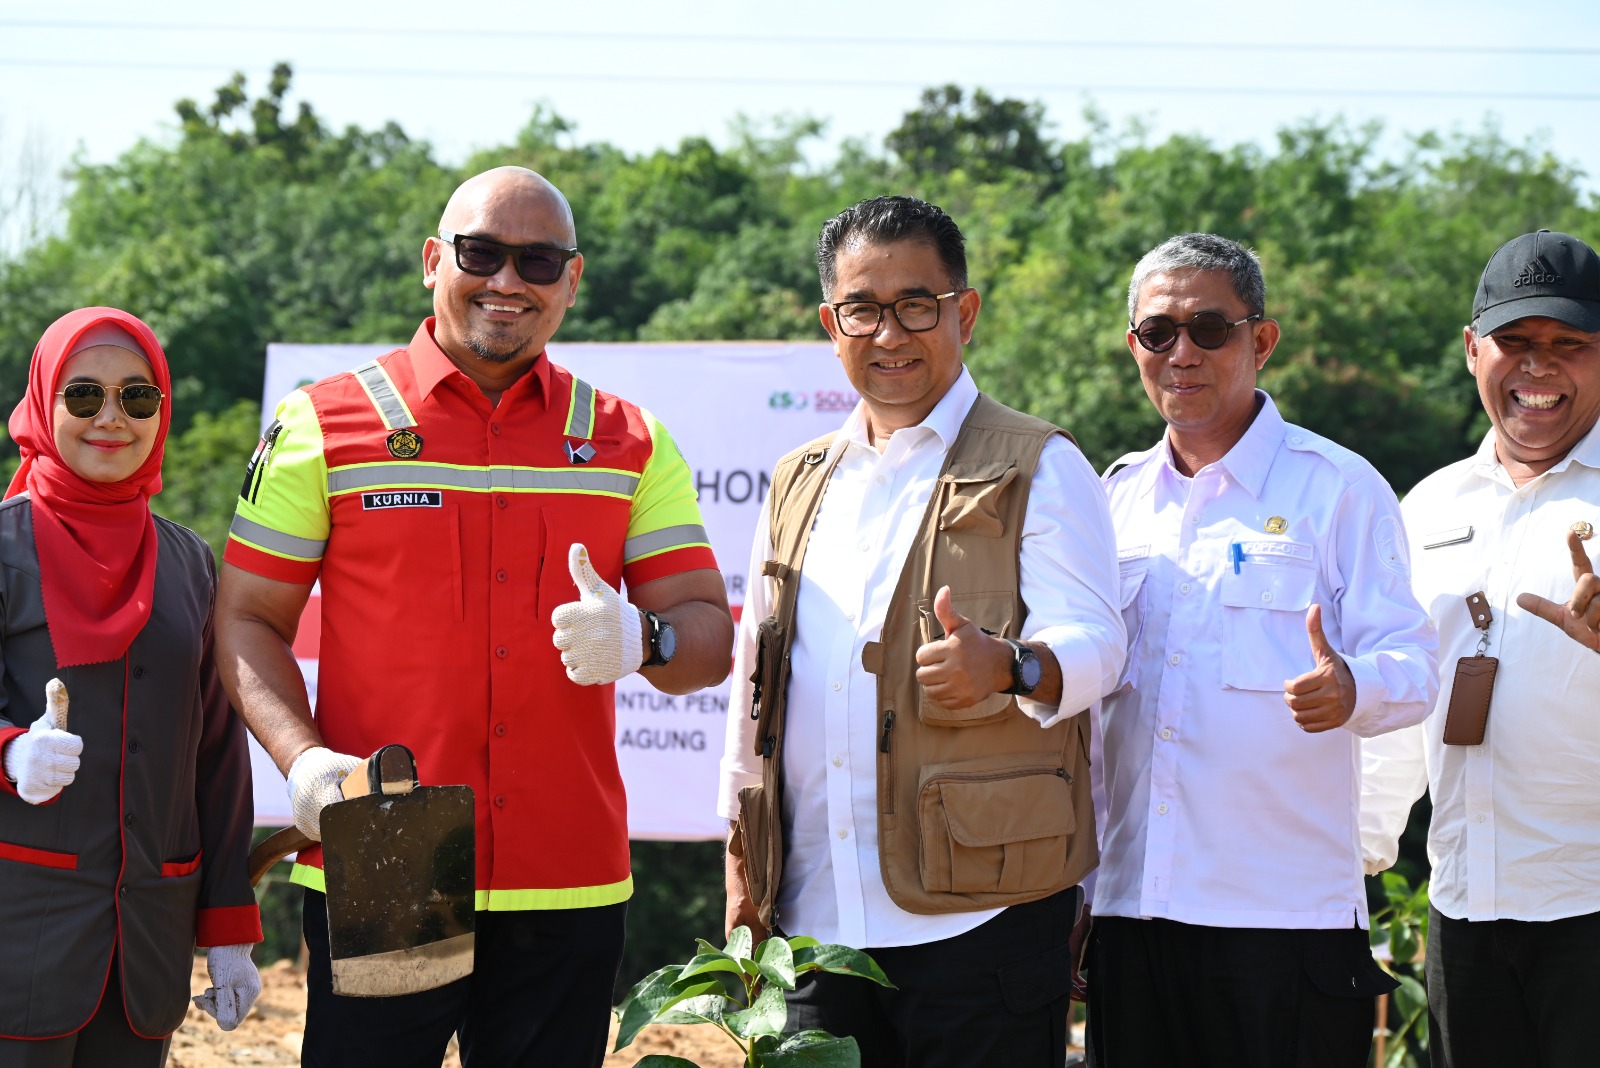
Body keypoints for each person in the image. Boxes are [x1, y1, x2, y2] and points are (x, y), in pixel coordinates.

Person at [215, 167, 733, 1068]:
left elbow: (709, 640)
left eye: (538, 261)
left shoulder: (631, 441)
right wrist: (301, 763)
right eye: (481, 253)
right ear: (431, 261)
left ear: (571, 282)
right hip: (388, 843)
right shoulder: (323, 422)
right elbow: (246, 619)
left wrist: (644, 640)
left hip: (568, 867)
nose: (507, 281)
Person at [718, 195, 1126, 1067]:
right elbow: (757, 679)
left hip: (983, 919)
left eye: (917, 306)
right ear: (832, 323)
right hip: (816, 922)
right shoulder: (798, 479)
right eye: (864, 309)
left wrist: (1010, 667)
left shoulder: (1040, 463)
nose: (890, 333)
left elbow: (1100, 644)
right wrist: (741, 857)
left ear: (964, 313)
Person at [1089, 233, 1438, 1067]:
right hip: (1133, 911)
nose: (1182, 352)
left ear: (1261, 339)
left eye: (1210, 328)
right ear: (1133, 344)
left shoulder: (1338, 488)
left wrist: (1352, 688)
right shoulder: (1114, 499)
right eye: (1157, 332)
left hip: (1284, 926)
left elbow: (1416, 666)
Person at [1361, 229, 1600, 1068]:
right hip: (1464, 911)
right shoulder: (1423, 508)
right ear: (1471, 351)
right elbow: (1397, 716)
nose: (1539, 369)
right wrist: (1352, 870)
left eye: (1569, 346)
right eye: (1516, 344)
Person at [0, 307, 262, 1067]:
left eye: (136, 398)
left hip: (147, 942)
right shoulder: (5, 547)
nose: (111, 418)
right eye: (83, 397)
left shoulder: (189, 563)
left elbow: (215, 755)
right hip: (20, 935)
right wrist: (12, 752)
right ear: (45, 405)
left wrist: (229, 927)